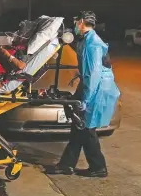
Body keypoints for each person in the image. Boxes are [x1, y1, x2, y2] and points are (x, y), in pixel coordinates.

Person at [47, 11, 120, 178]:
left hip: (96, 88)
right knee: (80, 126)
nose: (74, 26)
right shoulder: (87, 40)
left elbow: (93, 74)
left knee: (86, 128)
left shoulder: (92, 45)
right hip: (92, 85)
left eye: (75, 22)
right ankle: (68, 165)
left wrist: (85, 100)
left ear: (81, 22)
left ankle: (98, 167)